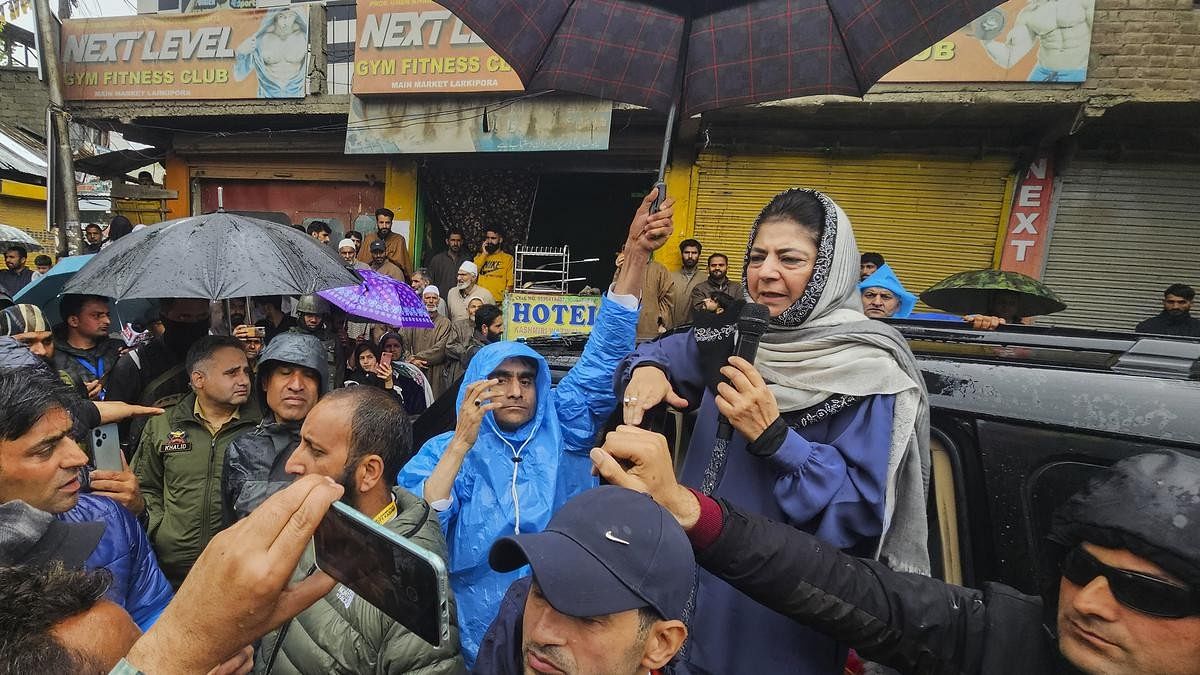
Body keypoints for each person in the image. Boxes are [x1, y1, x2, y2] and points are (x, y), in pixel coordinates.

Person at [617, 188, 929, 675]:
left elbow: (861, 518)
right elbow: (656, 352)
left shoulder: (868, 372)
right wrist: (648, 369)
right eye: (758, 256)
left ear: (829, 270)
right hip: (680, 612)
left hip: (776, 626)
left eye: (790, 259)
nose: (766, 273)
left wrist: (778, 441)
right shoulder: (731, 337)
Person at [594, 427, 1200, 675]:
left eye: (1144, 591)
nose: (1090, 602)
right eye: (1082, 567)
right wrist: (686, 510)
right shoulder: (1002, 640)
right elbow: (843, 586)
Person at [398, 187, 674, 664]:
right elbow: (419, 532)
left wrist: (635, 254)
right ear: (476, 388)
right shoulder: (444, 449)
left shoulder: (562, 427)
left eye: (527, 379)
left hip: (557, 623)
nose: (516, 390)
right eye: (500, 379)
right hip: (468, 628)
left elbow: (607, 347)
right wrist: (462, 444)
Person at [264, 386, 465, 673]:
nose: (293, 463)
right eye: (301, 442)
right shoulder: (314, 518)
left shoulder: (412, 593)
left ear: (369, 472)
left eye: (315, 451)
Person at [0, 366, 174, 631]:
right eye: (47, 448)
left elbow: (153, 616)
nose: (80, 459)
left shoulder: (109, 517)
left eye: (70, 437)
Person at [474, 486, 692, 674]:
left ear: (660, 644)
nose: (541, 633)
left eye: (586, 617)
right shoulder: (510, 634)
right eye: (540, 594)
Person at [133, 335, 261, 588]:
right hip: (170, 572)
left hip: (237, 572)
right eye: (232, 373)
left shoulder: (261, 428)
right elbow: (145, 486)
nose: (244, 380)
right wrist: (160, 529)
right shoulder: (163, 425)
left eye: (246, 371)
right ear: (198, 379)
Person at [222, 332, 327, 524]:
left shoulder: (336, 447)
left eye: (309, 375)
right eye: (285, 373)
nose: (296, 385)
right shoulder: (241, 450)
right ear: (264, 382)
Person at [106, 297, 214, 449]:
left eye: (201, 317)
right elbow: (112, 426)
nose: (194, 324)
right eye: (184, 317)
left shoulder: (224, 357)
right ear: (164, 317)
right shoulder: (136, 363)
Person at [977, 0, 1094, 82]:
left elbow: (1099, 40)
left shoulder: (1084, 2)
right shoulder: (1029, 14)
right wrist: (985, 38)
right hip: (1043, 74)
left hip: (1079, 72)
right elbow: (1008, 57)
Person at [53, 294, 125, 401]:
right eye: (97, 315)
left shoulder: (118, 348)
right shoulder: (54, 360)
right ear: (74, 321)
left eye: (107, 315)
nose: (107, 321)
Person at [233, 7, 309, 98]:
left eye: (291, 16)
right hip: (266, 100)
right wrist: (241, 53)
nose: (286, 21)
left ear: (296, 16)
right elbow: (238, 75)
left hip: (298, 99)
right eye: (282, 16)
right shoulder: (259, 41)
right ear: (275, 17)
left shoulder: (305, 38)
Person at [615, 243, 674, 341]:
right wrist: (620, 269)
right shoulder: (625, 267)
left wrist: (661, 323)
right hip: (625, 331)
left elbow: (667, 299)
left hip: (651, 330)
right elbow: (615, 296)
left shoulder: (660, 270)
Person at [293, 294, 344, 389]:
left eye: (318, 316)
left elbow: (339, 371)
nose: (314, 320)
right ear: (301, 315)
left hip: (327, 394)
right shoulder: (290, 338)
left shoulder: (332, 339)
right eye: (309, 315)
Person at [357, 207, 411, 275]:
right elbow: (362, 262)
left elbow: (405, 266)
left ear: (391, 223)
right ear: (377, 223)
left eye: (387, 223)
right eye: (381, 222)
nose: (384, 226)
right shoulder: (369, 238)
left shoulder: (399, 240)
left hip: (393, 277)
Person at [687, 253, 744, 317]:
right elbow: (700, 312)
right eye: (713, 265)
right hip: (707, 326)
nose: (717, 268)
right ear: (707, 268)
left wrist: (711, 306)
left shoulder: (737, 288)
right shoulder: (699, 289)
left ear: (727, 268)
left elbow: (740, 311)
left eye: (721, 265)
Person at [1135, 283, 1200, 337]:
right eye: (1170, 302)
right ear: (1164, 302)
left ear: (1191, 303)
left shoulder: (1197, 328)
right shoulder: (1146, 327)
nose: (1175, 307)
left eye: (1181, 302)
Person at [474, 227, 515, 302]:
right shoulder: (479, 256)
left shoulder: (508, 258)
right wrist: (484, 254)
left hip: (498, 302)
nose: (489, 241)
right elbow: (473, 274)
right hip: (480, 302)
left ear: (500, 240)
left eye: (493, 238)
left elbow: (510, 284)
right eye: (488, 238)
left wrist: (505, 303)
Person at [670, 238, 705, 326]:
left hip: (693, 330)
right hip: (670, 329)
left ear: (699, 255)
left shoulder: (705, 279)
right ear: (681, 254)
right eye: (686, 252)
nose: (690, 256)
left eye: (694, 253)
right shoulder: (669, 277)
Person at [427, 228, 468, 295]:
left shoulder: (466, 260)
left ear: (462, 242)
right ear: (447, 241)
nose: (455, 243)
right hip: (440, 300)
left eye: (458, 240)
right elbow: (430, 282)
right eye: (452, 240)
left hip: (460, 299)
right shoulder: (437, 260)